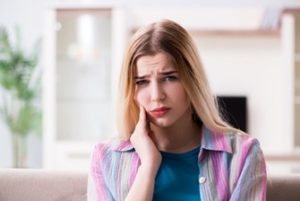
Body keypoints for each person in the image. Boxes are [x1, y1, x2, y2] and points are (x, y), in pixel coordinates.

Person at [87, 19, 267, 201]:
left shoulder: (243, 154)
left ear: (192, 81)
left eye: (169, 78)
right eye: (142, 82)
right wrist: (148, 167)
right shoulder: (105, 159)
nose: (156, 95)